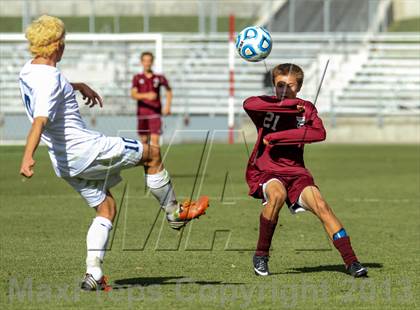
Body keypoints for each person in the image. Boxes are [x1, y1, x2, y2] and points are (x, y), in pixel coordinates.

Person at [18, 15, 209, 291]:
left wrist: (77, 86)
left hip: (65, 163)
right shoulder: (51, 79)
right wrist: (27, 155)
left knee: (106, 209)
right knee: (152, 153)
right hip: (87, 150)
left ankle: (93, 274)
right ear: (57, 44)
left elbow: (47, 89)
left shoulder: (29, 70)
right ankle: (174, 213)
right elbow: (40, 119)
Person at [243, 63, 367, 277]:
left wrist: (277, 137)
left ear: (298, 87)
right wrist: (285, 107)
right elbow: (248, 104)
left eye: (290, 86)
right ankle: (261, 255)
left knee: (321, 206)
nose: (284, 90)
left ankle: (352, 262)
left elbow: (319, 133)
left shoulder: (306, 108)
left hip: (297, 173)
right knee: (277, 195)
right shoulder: (266, 105)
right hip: (267, 171)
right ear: (274, 85)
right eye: (280, 85)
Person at [131, 51, 172, 146]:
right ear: (141, 62)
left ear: (152, 62)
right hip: (142, 113)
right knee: (144, 142)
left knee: (155, 142)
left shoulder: (159, 77)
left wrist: (168, 107)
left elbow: (169, 90)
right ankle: (147, 161)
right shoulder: (137, 78)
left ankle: (157, 161)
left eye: (149, 61)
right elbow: (133, 94)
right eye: (145, 61)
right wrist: (146, 95)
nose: (147, 63)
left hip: (155, 113)